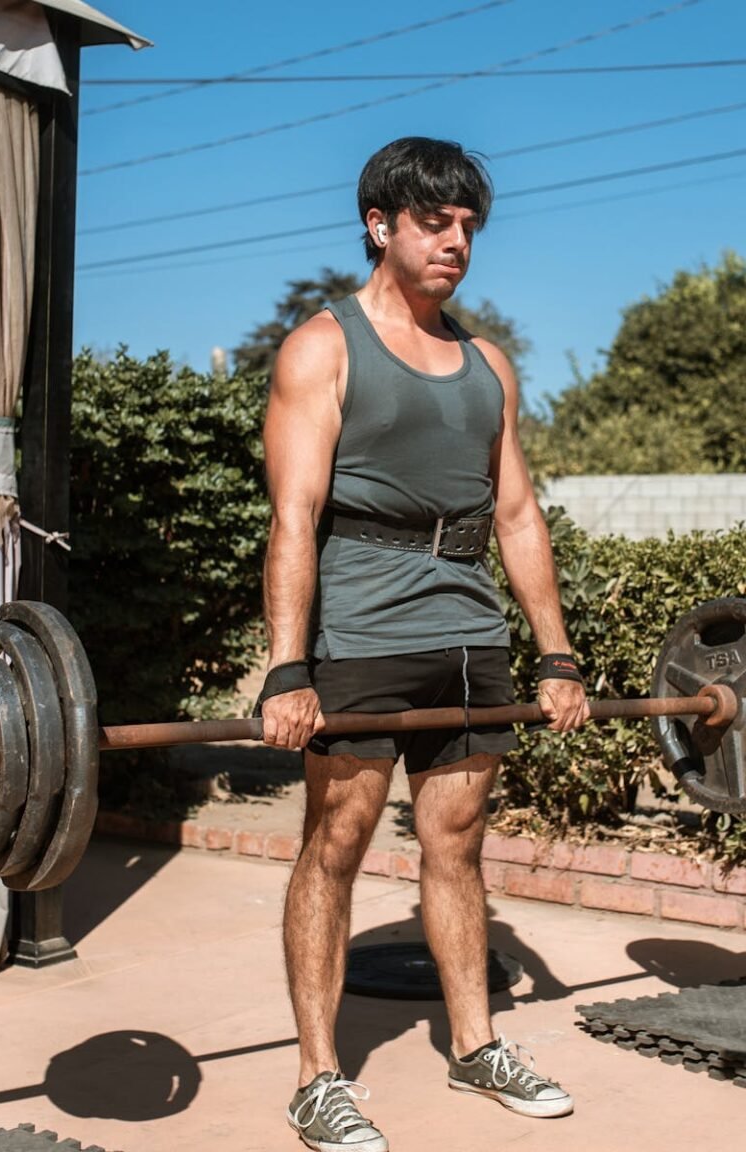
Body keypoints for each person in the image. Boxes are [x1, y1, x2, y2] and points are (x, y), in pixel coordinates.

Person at [259, 136, 589, 1152]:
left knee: (455, 843)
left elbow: (519, 515)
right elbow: (295, 515)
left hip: (467, 631)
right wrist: (288, 666)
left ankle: (475, 1044)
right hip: (360, 632)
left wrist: (556, 652)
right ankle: (319, 1076)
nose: (456, 242)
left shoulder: (487, 363)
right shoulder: (324, 346)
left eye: (469, 227)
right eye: (435, 223)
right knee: (338, 845)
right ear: (381, 226)